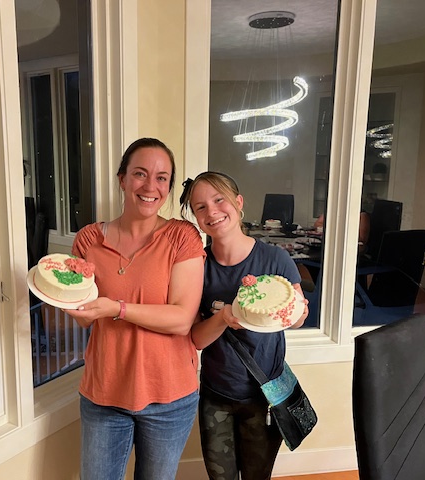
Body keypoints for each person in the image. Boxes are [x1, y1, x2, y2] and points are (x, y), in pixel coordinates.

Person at [66, 138, 206, 480]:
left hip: (169, 395)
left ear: (169, 187)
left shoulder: (182, 237)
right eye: (140, 174)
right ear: (122, 179)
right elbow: (82, 307)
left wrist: (116, 308)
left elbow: (181, 319)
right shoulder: (88, 240)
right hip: (105, 392)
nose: (150, 186)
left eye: (161, 178)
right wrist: (74, 308)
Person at [180, 171, 309, 480]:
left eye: (219, 200)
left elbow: (296, 317)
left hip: (264, 394)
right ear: (196, 218)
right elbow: (196, 339)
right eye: (200, 207)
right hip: (216, 394)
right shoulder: (198, 267)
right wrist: (223, 318)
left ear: (238, 203)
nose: (211, 211)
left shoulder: (275, 259)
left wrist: (298, 311)